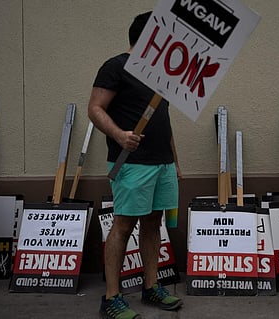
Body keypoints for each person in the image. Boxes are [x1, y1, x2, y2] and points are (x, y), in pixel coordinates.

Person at [88, 11, 183, 319]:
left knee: (154, 224)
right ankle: (111, 297)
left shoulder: (161, 75)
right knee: (124, 225)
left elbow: (163, 122)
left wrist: (175, 163)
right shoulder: (115, 67)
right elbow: (95, 109)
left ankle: (151, 286)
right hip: (132, 164)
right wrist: (118, 134)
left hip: (162, 164)